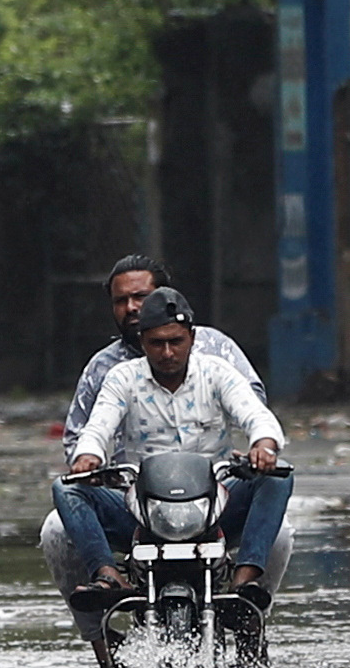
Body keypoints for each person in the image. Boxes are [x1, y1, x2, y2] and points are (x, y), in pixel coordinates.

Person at [54, 288, 291, 643]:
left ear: (192, 338)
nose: (167, 353)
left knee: (278, 477)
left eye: (176, 342)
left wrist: (263, 445)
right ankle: (106, 575)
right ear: (141, 342)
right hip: (142, 510)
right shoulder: (123, 378)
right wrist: (89, 456)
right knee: (66, 489)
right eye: (156, 343)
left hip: (213, 506)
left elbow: (256, 415)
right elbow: (98, 426)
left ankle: (244, 583)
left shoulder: (217, 373)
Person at [63, 254, 261, 449]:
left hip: (210, 470)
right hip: (133, 476)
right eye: (121, 301)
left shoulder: (213, 346)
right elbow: (76, 437)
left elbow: (254, 403)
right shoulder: (104, 367)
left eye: (141, 297)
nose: (131, 307)